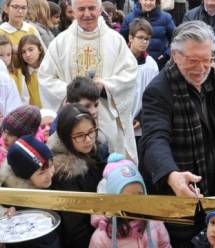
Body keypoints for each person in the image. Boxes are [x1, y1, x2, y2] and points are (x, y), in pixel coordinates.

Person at [139, 21, 215, 246]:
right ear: (175, 55)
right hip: (177, 197)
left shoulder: (210, 78)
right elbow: (154, 139)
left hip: (210, 187)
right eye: (193, 60)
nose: (201, 68)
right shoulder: (158, 91)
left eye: (207, 59)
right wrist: (171, 175)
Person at [39, 0, 138, 164]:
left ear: (100, 9)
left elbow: (130, 74)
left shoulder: (115, 40)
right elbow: (45, 78)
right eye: (81, 9)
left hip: (105, 115)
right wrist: (73, 91)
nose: (87, 14)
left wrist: (105, 86)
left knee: (108, 165)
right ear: (73, 10)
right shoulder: (61, 42)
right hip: (73, 121)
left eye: (92, 8)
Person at [47, 103, 106, 247]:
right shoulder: (64, 173)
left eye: (91, 132)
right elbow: (75, 227)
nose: (88, 140)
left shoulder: (94, 153)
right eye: (79, 136)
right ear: (65, 137)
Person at [89, 153, 171, 248]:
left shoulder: (154, 222)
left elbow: (164, 245)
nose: (136, 202)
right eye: (128, 198)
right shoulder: (102, 238)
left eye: (140, 194)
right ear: (114, 202)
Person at [4, 135, 61, 248]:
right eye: (41, 173)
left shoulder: (53, 182)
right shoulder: (18, 207)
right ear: (25, 177)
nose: (49, 174)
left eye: (50, 166)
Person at [128, 18, 158, 147]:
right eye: (140, 37)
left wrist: (141, 117)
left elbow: (153, 95)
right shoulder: (120, 61)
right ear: (130, 38)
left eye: (147, 38)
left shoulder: (151, 65)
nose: (144, 42)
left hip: (141, 122)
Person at [120, 0, 175, 69]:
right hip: (134, 65)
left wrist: (167, 54)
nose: (148, 3)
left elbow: (176, 39)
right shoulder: (129, 19)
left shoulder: (166, 18)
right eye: (145, 0)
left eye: (151, 0)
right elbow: (121, 42)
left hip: (159, 64)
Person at [0, 105, 41, 190]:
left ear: (25, 138)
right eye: (3, 130)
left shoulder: (34, 161)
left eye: (11, 134)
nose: (4, 137)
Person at [17, 34, 45, 108]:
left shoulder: (49, 69)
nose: (28, 54)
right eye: (23, 52)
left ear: (40, 49)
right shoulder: (21, 75)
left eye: (31, 49)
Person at [0, 35, 29, 104]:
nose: (5, 59)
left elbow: (25, 97)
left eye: (8, 54)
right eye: (0, 55)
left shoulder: (18, 75)